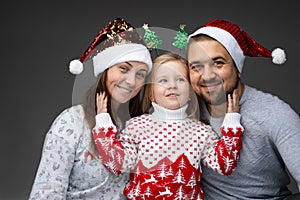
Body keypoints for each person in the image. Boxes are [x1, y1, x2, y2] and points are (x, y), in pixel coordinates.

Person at [28, 18, 152, 200]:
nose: (132, 81)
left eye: (140, 74)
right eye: (124, 69)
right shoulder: (72, 122)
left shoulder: (135, 127)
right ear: (104, 71)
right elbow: (46, 193)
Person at [93, 52, 244, 200]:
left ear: (191, 92)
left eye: (180, 79)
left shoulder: (201, 132)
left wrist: (232, 122)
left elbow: (224, 165)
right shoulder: (136, 127)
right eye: (163, 80)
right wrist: (103, 123)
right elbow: (117, 165)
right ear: (151, 93)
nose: (172, 86)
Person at [187, 19, 300, 200]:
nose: (207, 76)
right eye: (196, 66)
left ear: (237, 68)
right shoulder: (186, 110)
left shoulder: (274, 113)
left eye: (218, 63)